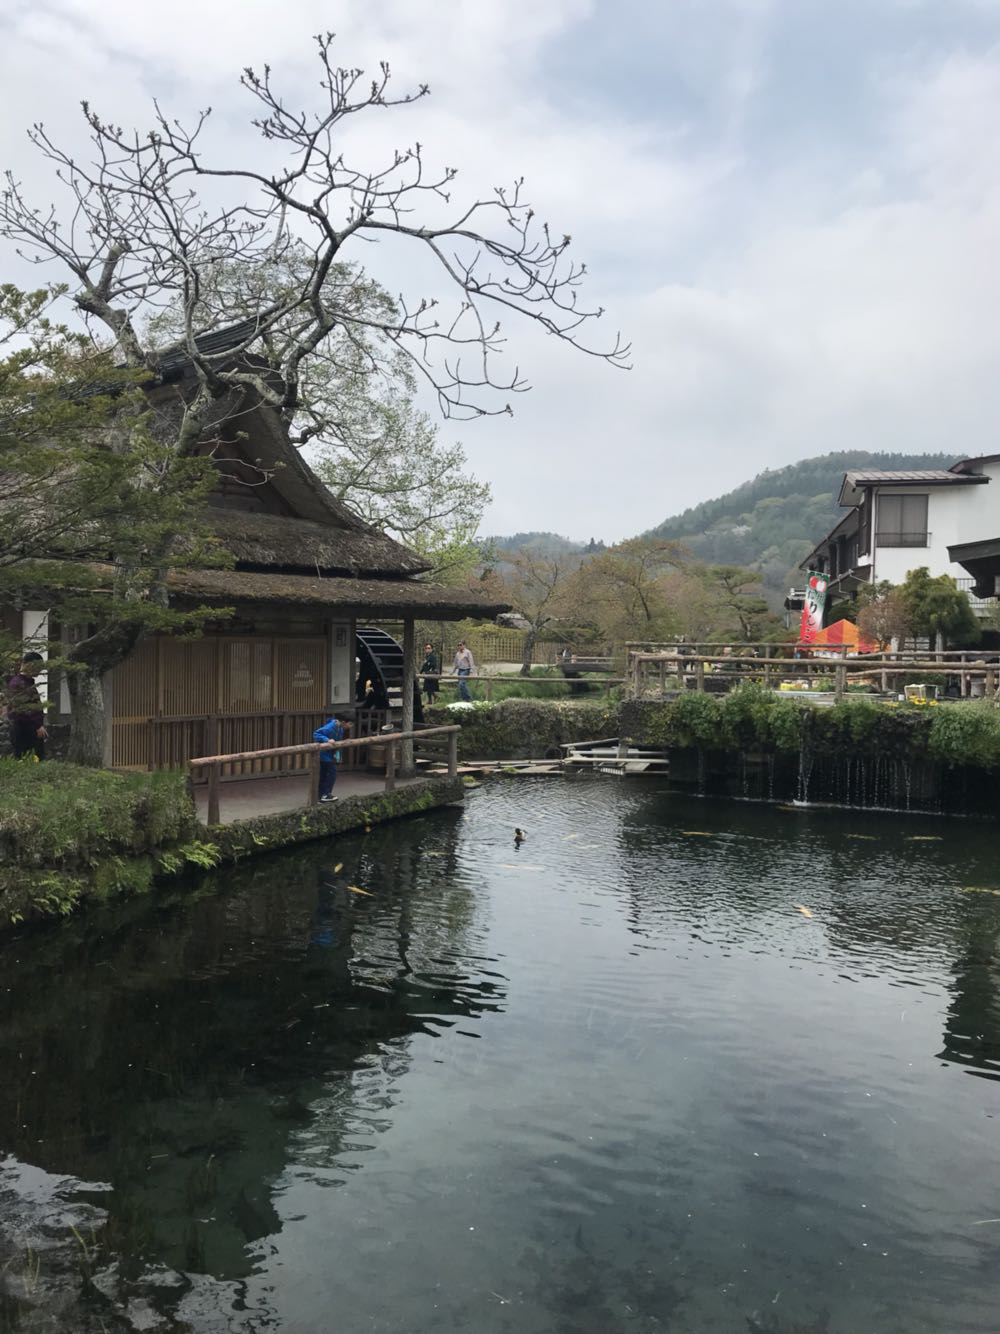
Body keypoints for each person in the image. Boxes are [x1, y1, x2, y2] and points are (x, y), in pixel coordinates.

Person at [4, 652, 47, 760]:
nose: (40, 670)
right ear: (29, 665)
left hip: (30, 729)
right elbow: (22, 710)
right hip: (24, 730)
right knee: (28, 760)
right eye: (38, 666)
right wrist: (37, 725)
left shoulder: (28, 682)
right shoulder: (18, 683)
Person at [313, 714, 347, 802]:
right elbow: (316, 734)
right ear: (343, 722)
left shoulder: (340, 729)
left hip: (330, 754)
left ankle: (320, 796)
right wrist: (327, 740)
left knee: (324, 775)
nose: (350, 726)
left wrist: (338, 755)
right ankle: (325, 793)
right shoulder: (330, 727)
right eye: (350, 724)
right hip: (324, 754)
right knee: (331, 773)